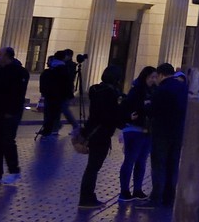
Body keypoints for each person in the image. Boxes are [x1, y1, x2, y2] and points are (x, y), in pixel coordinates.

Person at [0, 46, 29, 185]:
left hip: (10, 112)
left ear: (7, 56)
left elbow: (18, 94)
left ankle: (14, 171)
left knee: (7, 141)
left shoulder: (18, 72)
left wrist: (11, 111)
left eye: (0, 54)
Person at [78, 65, 122, 207]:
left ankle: (87, 196)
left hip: (92, 129)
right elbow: (112, 115)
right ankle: (86, 197)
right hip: (102, 133)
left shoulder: (95, 90)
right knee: (93, 167)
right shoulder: (111, 93)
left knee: (91, 167)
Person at [146, 62, 187, 205]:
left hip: (161, 132)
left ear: (161, 75)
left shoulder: (162, 89)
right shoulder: (183, 87)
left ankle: (156, 197)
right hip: (178, 131)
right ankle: (169, 197)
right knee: (172, 164)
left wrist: (146, 107)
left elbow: (153, 111)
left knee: (159, 164)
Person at [118, 66, 156, 200]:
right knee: (130, 160)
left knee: (142, 161)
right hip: (134, 130)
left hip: (147, 130)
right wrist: (130, 117)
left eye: (155, 77)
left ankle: (138, 189)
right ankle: (124, 191)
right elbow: (127, 108)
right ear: (145, 77)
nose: (153, 80)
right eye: (151, 77)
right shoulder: (136, 91)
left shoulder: (153, 91)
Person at [39, 51, 80, 137]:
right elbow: (68, 82)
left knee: (58, 110)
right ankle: (55, 127)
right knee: (58, 110)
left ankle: (54, 127)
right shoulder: (63, 68)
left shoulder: (61, 67)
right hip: (59, 93)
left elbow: (67, 82)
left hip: (56, 93)